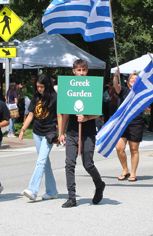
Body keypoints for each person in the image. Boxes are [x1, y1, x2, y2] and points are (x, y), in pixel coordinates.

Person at [58, 59, 105, 208]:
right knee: (69, 164)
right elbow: (65, 113)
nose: (81, 73)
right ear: (73, 71)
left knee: (88, 164)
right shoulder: (68, 87)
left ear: (87, 71)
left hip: (88, 133)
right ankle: (71, 197)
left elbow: (98, 113)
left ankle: (99, 184)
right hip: (72, 132)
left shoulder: (92, 87)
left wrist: (86, 118)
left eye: (83, 70)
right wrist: (61, 132)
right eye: (78, 70)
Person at [19, 74, 60, 201]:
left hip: (49, 133)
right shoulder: (36, 97)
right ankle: (52, 191)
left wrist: (60, 133)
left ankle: (32, 189)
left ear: (47, 86)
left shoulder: (54, 97)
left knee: (41, 161)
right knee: (45, 162)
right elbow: (31, 115)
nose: (40, 89)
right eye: (38, 87)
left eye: (42, 87)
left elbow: (59, 116)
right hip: (37, 132)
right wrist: (22, 129)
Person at [114, 70, 143, 182]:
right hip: (122, 124)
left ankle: (133, 173)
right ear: (128, 81)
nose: (133, 80)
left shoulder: (142, 93)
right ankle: (125, 169)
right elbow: (116, 84)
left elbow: (149, 110)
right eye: (132, 78)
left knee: (133, 149)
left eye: (136, 79)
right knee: (119, 148)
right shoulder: (124, 91)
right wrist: (116, 75)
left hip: (136, 123)